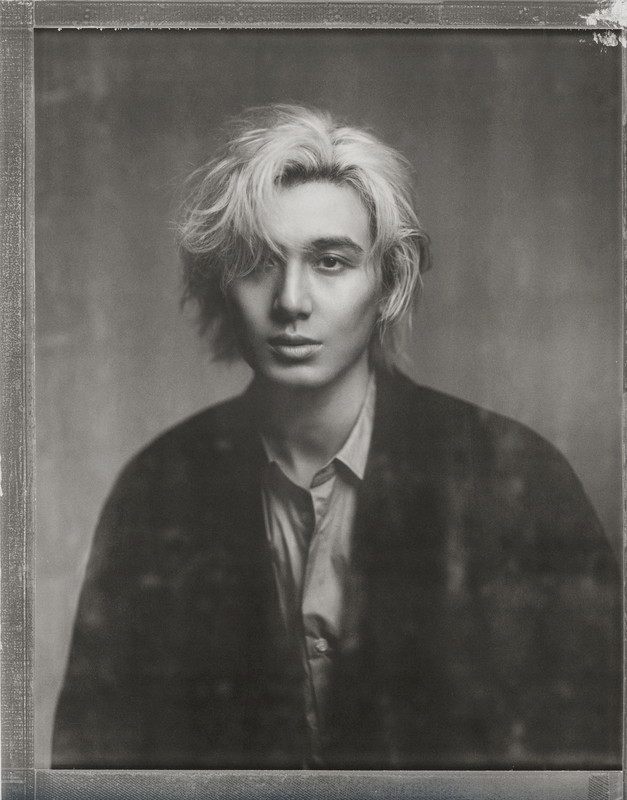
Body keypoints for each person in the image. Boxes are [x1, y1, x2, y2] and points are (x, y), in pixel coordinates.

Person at [52, 104, 621, 770]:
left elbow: (597, 754)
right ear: (220, 286)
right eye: (258, 263)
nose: (291, 300)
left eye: (329, 261)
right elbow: (95, 764)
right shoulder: (158, 488)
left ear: (388, 282)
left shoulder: (515, 477)